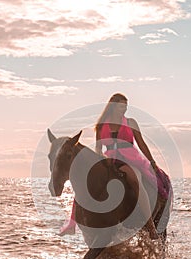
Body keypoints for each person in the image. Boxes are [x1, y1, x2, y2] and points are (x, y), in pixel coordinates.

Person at [60, 93, 170, 238]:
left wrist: (152, 161)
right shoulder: (100, 126)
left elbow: (141, 143)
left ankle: (149, 224)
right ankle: (72, 224)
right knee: (87, 184)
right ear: (112, 106)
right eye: (121, 106)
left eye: (126, 106)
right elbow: (98, 147)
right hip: (110, 159)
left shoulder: (131, 122)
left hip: (131, 159)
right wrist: (99, 159)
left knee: (134, 178)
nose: (124, 109)